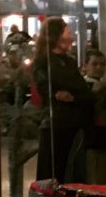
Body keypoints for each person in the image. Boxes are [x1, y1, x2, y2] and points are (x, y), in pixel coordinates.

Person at [32, 17, 93, 183]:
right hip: (55, 123)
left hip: (73, 124)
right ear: (56, 36)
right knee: (54, 172)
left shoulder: (69, 62)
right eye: (67, 33)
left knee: (72, 172)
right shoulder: (44, 62)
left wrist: (73, 96)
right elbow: (49, 90)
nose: (71, 37)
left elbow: (82, 91)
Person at [82, 49, 106, 183]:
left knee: (105, 177)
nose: (99, 68)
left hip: (104, 137)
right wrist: (93, 94)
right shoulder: (82, 86)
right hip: (88, 139)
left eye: (102, 64)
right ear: (85, 66)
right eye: (94, 64)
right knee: (91, 176)